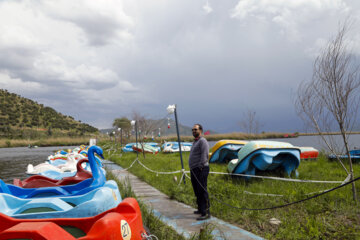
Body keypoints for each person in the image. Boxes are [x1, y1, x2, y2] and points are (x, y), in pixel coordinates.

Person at [189, 123, 210, 220]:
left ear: (200, 131)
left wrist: (200, 167)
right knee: (197, 190)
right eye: (193, 130)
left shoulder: (203, 141)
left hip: (201, 169)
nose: (194, 131)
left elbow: (204, 155)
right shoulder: (195, 142)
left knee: (202, 190)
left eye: (195, 129)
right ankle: (200, 209)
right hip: (194, 170)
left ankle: (205, 213)